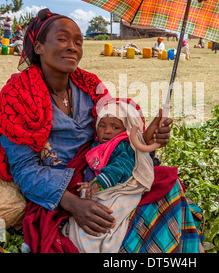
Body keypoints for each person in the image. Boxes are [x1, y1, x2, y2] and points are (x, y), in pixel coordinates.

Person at [0, 8, 204, 253]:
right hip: (62, 190)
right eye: (62, 39)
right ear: (39, 47)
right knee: (107, 232)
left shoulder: (90, 86)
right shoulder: (17, 94)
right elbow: (24, 170)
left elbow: (115, 137)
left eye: (78, 41)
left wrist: (147, 137)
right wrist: (73, 204)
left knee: (167, 184)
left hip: (101, 174)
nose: (72, 47)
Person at [61, 98, 154, 253]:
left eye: (115, 127)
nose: (107, 130)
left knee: (105, 217)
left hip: (118, 190)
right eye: (102, 125)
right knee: (85, 215)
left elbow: (119, 168)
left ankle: (98, 245)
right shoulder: (97, 146)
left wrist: (98, 182)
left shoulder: (123, 146)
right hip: (98, 187)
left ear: (126, 130)